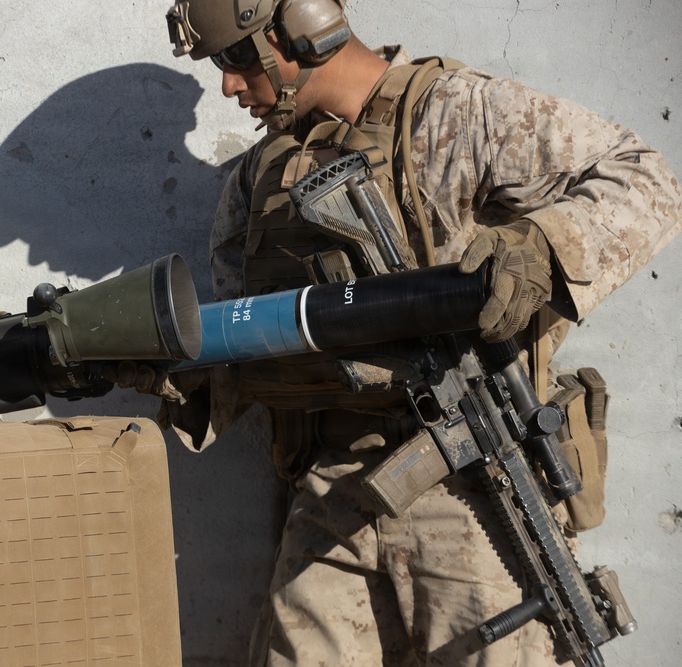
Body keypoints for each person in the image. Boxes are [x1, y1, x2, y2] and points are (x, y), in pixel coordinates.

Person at [151, 1, 682, 665]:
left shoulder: (454, 115)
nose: (229, 86)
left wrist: (544, 248)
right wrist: (171, 365)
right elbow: (245, 340)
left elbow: (647, 177)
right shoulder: (257, 181)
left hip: (476, 495)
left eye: (235, 59)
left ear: (303, 28)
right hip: (330, 500)